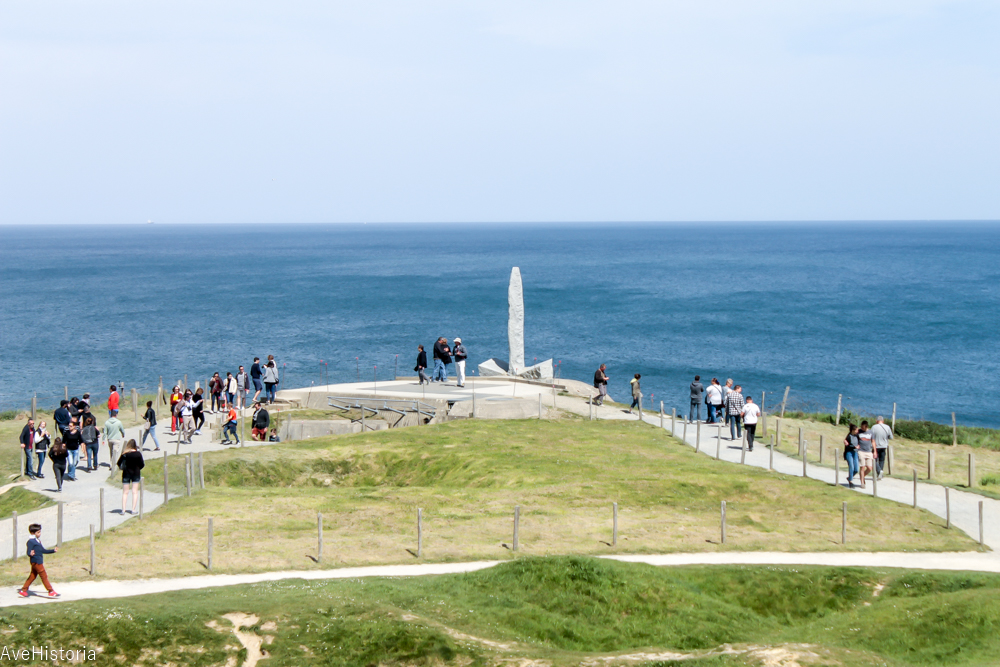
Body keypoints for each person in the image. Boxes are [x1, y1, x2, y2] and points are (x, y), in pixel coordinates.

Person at [17, 523, 59, 598]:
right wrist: (30, 554)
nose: (40, 533)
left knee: (32, 576)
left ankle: (23, 590)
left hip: (38, 561)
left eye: (40, 532)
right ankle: (51, 591)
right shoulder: (31, 541)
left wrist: (53, 551)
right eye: (38, 532)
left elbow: (43, 550)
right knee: (44, 576)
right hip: (36, 562)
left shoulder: (38, 541)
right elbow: (28, 552)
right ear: (33, 533)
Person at [117, 439, 144, 514]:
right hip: (136, 473)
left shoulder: (125, 454)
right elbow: (142, 464)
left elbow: (119, 463)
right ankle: (133, 509)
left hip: (126, 473)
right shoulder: (138, 454)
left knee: (125, 492)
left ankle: (123, 510)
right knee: (134, 492)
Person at [871, 416, 893, 480]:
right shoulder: (887, 427)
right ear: (883, 421)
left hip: (876, 446)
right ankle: (880, 473)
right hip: (884, 446)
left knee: (874, 460)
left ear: (876, 421)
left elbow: (871, 436)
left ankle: (879, 471)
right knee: (882, 460)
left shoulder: (874, 427)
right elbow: (891, 437)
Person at [857, 420, 875, 488]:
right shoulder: (859, 431)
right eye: (861, 426)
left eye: (863, 427)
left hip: (868, 451)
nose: (862, 428)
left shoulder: (871, 432)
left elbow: (873, 441)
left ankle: (862, 476)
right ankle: (862, 483)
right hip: (861, 451)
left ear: (866, 426)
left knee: (870, 468)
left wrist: (875, 451)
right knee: (862, 467)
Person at [843, 424, 860, 489]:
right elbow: (847, 445)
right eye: (856, 430)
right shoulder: (848, 436)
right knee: (851, 467)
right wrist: (854, 446)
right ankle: (850, 481)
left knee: (856, 469)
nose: (857, 431)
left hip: (855, 453)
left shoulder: (857, 435)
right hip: (849, 453)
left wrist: (858, 446)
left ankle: (849, 477)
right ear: (853, 430)